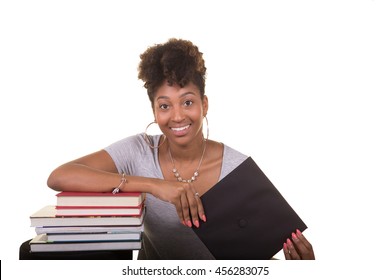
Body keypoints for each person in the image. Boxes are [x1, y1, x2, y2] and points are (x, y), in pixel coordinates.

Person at [47, 38, 315, 260]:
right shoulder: (139, 152)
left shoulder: (236, 170)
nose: (177, 117)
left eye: (187, 102)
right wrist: (154, 185)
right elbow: (59, 176)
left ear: (204, 104)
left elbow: (252, 257)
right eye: (165, 106)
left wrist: (297, 268)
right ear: (154, 110)